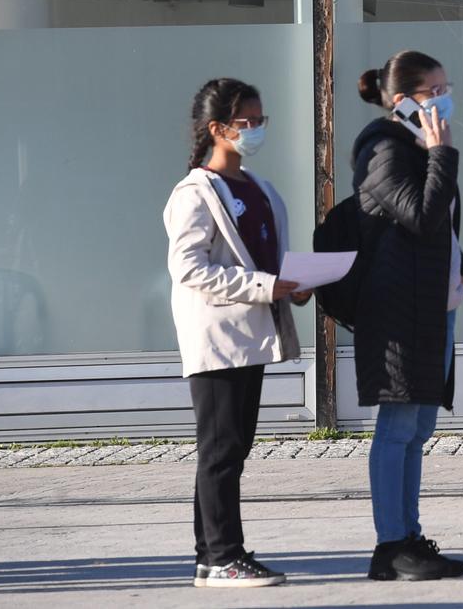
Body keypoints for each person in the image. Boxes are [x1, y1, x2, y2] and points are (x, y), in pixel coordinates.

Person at [162, 77, 303, 589]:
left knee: (233, 448)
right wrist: (267, 286)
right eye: (248, 122)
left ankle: (211, 555)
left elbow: (265, 258)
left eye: (262, 120)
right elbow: (189, 268)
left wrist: (291, 284)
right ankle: (223, 556)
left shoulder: (260, 188)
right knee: (219, 450)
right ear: (218, 129)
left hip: (252, 336)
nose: (258, 130)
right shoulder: (194, 192)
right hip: (217, 338)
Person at [353, 50, 463, 582]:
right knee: (398, 424)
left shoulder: (415, 146)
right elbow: (421, 217)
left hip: (432, 306)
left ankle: (410, 534)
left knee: (419, 425)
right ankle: (391, 544)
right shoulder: (383, 147)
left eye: (447, 87)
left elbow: (441, 232)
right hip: (398, 310)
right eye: (434, 91)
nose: (444, 99)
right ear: (403, 100)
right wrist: (441, 154)